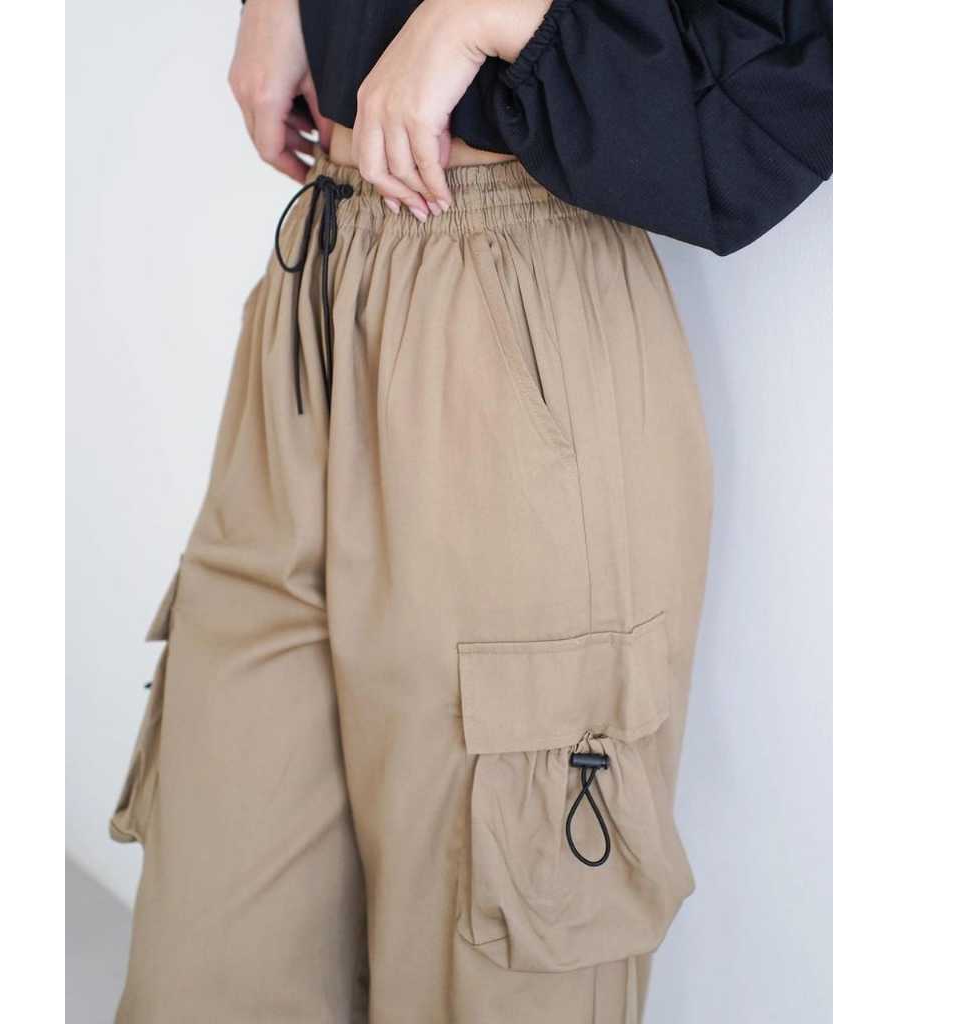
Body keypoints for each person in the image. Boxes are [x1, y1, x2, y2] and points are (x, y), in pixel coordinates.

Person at [108, 1, 832, 1021]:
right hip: (319, 278)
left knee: (490, 975)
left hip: (520, 315)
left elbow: (786, 85)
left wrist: (484, 13)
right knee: (206, 958)